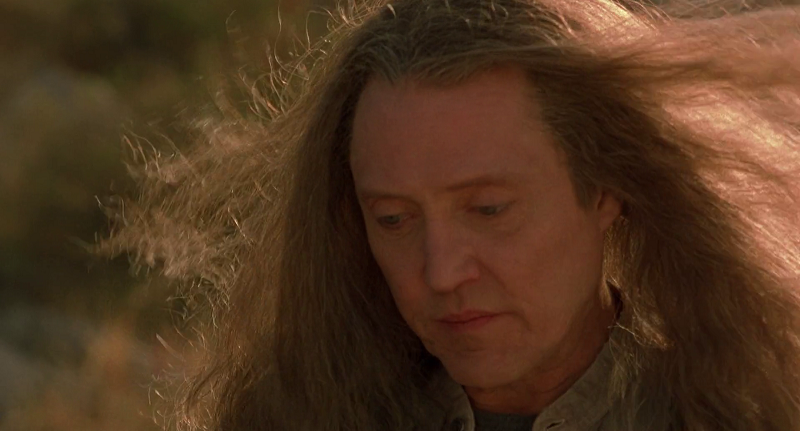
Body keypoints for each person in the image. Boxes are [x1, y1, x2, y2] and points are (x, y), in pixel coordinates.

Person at [99, 0, 800, 430]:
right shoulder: (299, 416)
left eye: (489, 208)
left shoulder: (743, 413)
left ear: (605, 189)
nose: (440, 271)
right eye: (394, 219)